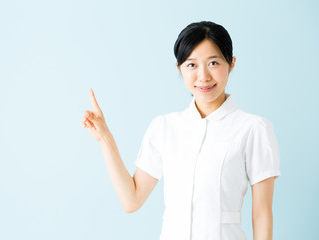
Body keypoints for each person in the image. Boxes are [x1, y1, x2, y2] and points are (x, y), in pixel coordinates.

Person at [81, 21, 281, 240]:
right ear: (179, 68)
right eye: (191, 65)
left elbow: (262, 214)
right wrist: (105, 138)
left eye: (213, 63)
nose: (203, 76)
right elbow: (132, 200)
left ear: (231, 63)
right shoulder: (164, 127)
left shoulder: (253, 129)